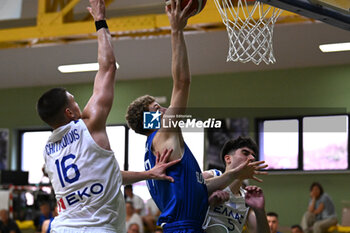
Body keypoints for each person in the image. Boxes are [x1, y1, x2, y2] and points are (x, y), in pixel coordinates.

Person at [37, 0, 180, 232]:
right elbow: (108, 67)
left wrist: (147, 174)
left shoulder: (49, 150)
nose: (79, 105)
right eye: (74, 100)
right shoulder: (89, 125)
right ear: (69, 112)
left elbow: (105, 176)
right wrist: (100, 21)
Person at [125, 0, 267, 232]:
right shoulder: (163, 133)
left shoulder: (164, 151)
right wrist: (176, 30)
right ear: (148, 121)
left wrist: (234, 174)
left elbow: (197, 188)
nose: (163, 110)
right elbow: (182, 83)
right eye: (155, 109)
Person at [202, 137, 270, 233]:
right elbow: (187, 195)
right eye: (245, 153)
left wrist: (260, 210)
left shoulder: (247, 197)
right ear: (228, 158)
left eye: (253, 156)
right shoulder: (210, 176)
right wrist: (207, 203)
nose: (252, 158)